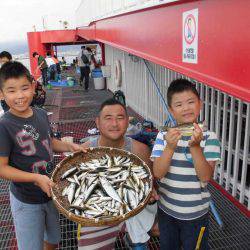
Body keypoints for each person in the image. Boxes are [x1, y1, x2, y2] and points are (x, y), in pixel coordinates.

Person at [0, 61, 85, 250]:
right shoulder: (4, 125)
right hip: (26, 200)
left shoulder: (40, 114)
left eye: (24, 88)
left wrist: (69, 146)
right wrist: (35, 178)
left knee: (53, 239)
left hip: (51, 192)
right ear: (1, 94)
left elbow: (50, 142)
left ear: (32, 87)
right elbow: (2, 168)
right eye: (11, 91)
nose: (20, 96)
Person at [78, 98, 158, 250]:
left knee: (162, 228)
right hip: (99, 215)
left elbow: (149, 183)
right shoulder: (85, 151)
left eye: (120, 118)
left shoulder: (141, 150)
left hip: (135, 210)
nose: (114, 124)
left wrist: (151, 194)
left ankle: (133, 238)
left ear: (128, 122)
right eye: (108, 118)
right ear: (97, 122)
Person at [151, 79, 221, 250]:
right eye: (179, 104)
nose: (186, 108)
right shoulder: (163, 136)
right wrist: (170, 147)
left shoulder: (209, 137)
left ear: (200, 104)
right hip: (166, 211)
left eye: (191, 102)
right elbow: (158, 173)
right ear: (171, 111)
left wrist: (195, 146)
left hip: (196, 214)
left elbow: (205, 176)